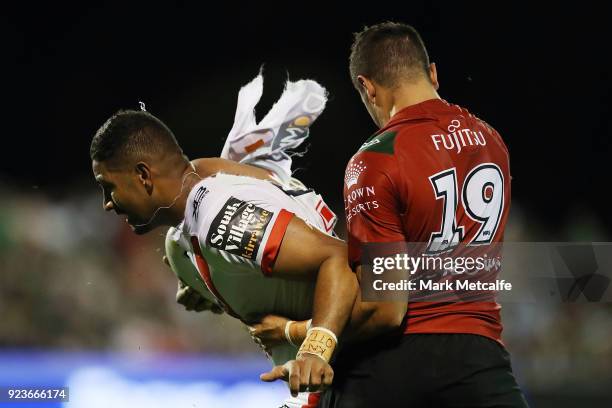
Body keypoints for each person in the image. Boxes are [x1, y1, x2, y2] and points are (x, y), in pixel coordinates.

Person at [89, 81, 403, 406]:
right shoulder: (192, 210)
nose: (106, 204)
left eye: (107, 187)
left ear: (143, 175)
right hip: (344, 373)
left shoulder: (219, 218)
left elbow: (334, 258)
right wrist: (208, 286)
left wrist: (312, 349)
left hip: (347, 377)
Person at [270, 22, 529, 407]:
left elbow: (386, 310)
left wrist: (303, 332)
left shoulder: (375, 159)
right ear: (433, 73)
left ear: (368, 87)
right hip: (481, 358)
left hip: (395, 364)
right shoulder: (491, 139)